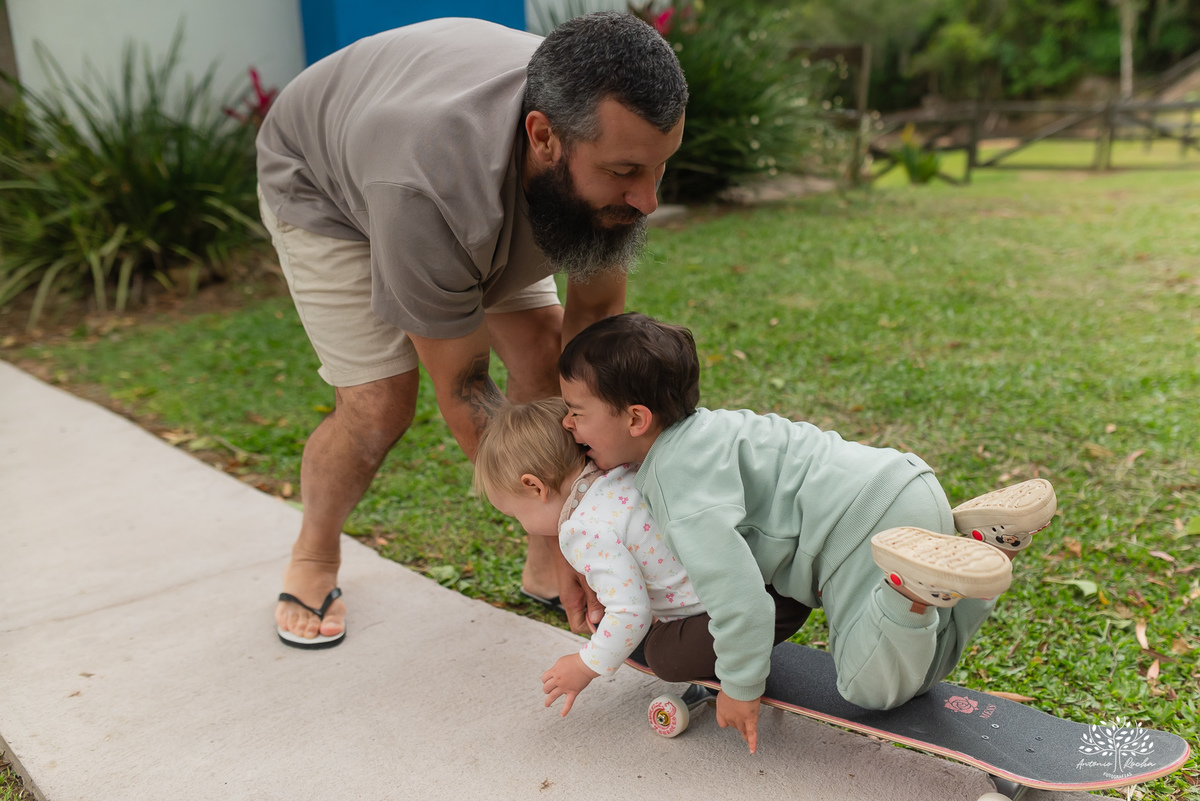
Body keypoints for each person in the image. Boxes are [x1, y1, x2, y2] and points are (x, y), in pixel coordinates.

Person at [255, 13, 688, 648]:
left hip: (479, 168)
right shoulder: (422, 189)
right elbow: (466, 389)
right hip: (326, 183)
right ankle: (315, 553)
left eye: (659, 168)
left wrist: (590, 523)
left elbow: (593, 326)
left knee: (549, 354)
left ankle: (547, 568)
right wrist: (576, 531)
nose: (648, 200)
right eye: (625, 172)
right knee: (379, 405)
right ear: (543, 137)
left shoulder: (605, 137)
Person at [555, 312, 1058, 753]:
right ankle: (975, 544)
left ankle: (909, 592)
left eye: (577, 412)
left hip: (860, 533)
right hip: (905, 485)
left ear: (637, 419)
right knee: (924, 669)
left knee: (873, 689)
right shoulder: (713, 429)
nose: (567, 425)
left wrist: (740, 686)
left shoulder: (675, 479)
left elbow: (741, 600)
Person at [473, 398, 813, 717]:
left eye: (515, 514)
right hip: (771, 571)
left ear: (535, 487)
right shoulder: (627, 467)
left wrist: (584, 665)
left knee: (660, 654)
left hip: (746, 607)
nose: (522, 525)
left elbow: (630, 610)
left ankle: (739, 650)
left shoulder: (582, 530)